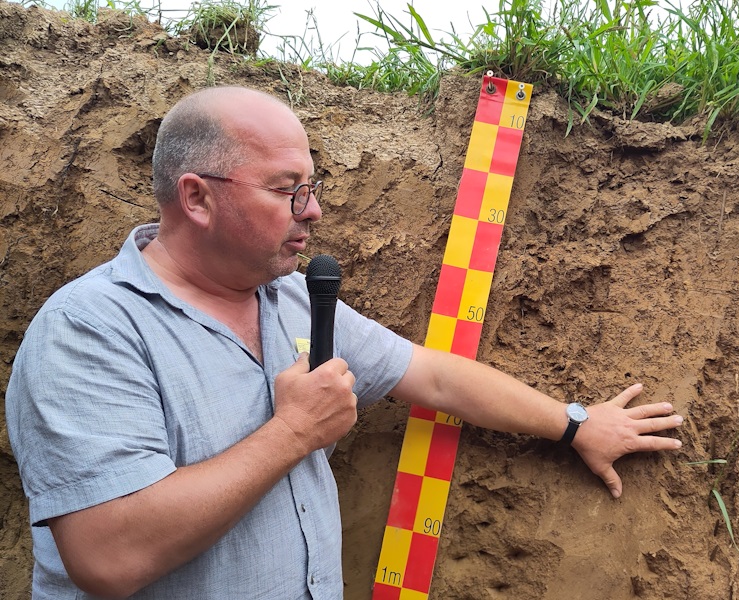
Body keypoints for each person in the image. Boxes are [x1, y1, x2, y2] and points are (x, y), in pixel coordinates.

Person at [6, 86, 683, 599]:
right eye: (286, 190)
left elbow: (436, 378)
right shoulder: (91, 329)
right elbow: (107, 555)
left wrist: (575, 425)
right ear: (198, 198)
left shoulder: (291, 297)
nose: (314, 211)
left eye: (312, 187)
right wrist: (293, 432)